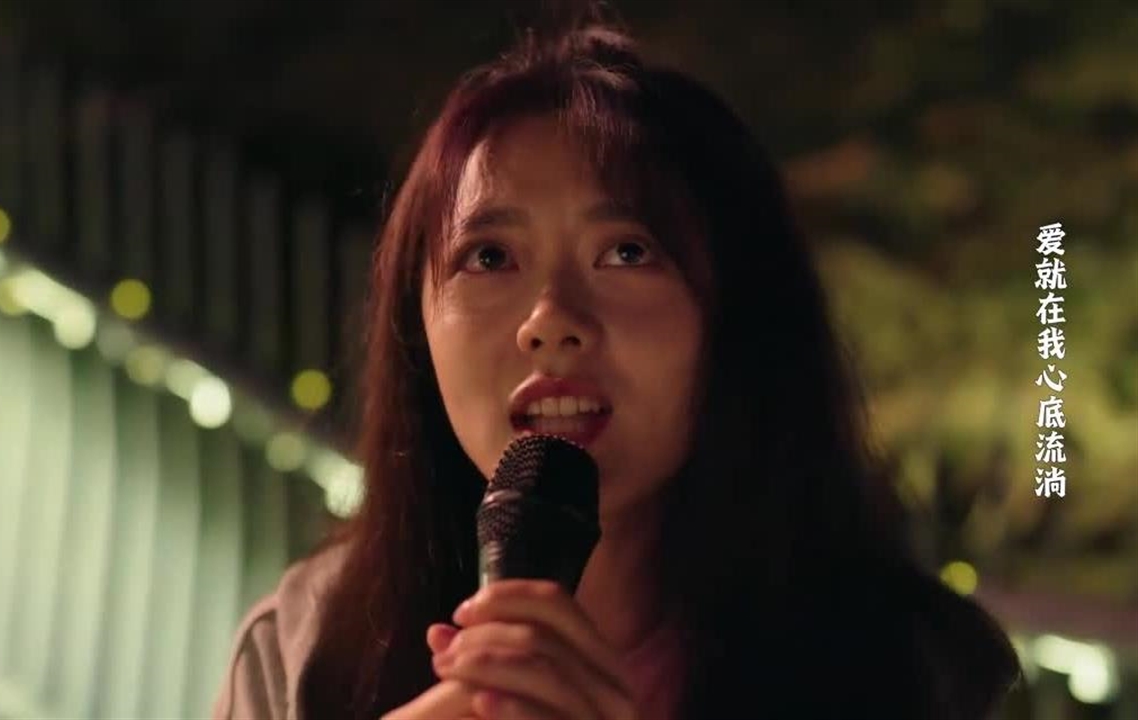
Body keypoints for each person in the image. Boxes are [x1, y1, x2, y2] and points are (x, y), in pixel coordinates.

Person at [212, 10, 1021, 720]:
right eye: (489, 257)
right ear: (414, 324)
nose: (549, 321)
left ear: (739, 314)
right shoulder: (307, 647)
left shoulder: (914, 672)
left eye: (627, 252)